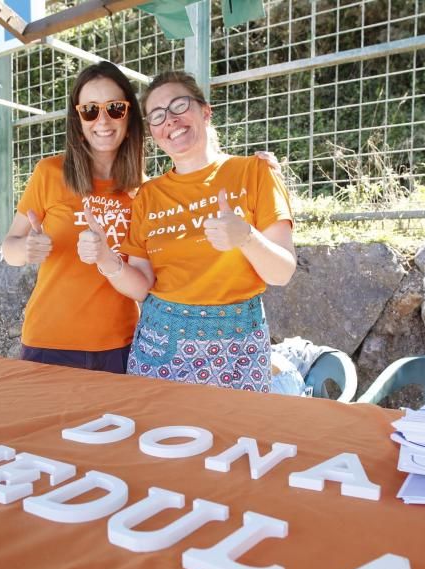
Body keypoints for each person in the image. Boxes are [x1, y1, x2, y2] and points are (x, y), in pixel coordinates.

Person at [78, 71, 297, 392]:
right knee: (155, 438)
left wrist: (246, 237)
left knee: (236, 437)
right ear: (152, 131)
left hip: (238, 347)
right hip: (160, 344)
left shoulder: (255, 172)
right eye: (157, 115)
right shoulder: (148, 196)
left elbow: (282, 273)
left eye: (179, 106)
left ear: (205, 111)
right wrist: (105, 259)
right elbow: (142, 287)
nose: (170, 120)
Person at [3, 61, 144, 373]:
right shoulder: (50, 173)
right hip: (50, 343)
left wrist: (250, 169)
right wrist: (26, 249)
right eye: (90, 110)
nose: (103, 120)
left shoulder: (143, 191)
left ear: (129, 114)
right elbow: (9, 247)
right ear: (78, 118)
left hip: (120, 344)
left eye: (115, 108)